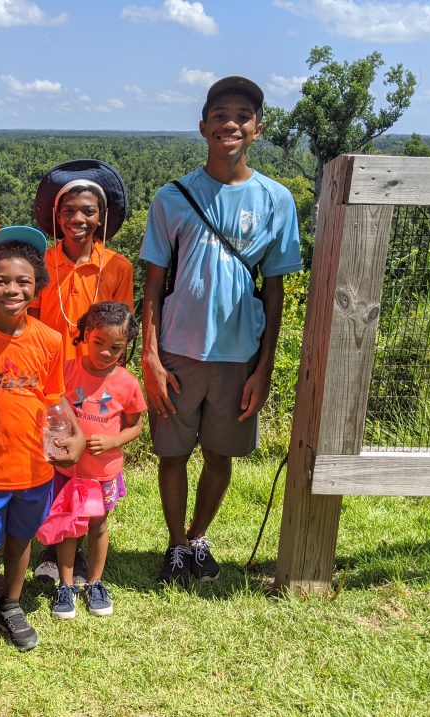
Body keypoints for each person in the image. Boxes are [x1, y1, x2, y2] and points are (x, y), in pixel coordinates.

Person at [139, 76, 302, 586]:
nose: (230, 122)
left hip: (239, 354)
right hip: (178, 350)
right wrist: (150, 356)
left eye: (242, 115)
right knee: (171, 451)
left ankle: (199, 535)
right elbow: (153, 284)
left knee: (219, 452)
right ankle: (174, 545)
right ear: (203, 125)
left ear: (257, 128)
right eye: (220, 114)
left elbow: (273, 290)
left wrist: (265, 366)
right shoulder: (173, 197)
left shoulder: (276, 199)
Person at [0, 226, 84, 669]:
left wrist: (76, 433)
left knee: (21, 540)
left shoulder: (49, 339)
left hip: (33, 470)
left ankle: (12, 603)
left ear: (37, 288)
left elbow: (54, 397)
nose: (12, 289)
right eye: (1, 280)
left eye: (23, 281)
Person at [30, 160, 135, 587]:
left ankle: (68, 554)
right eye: (69, 210)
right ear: (57, 216)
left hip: (92, 381)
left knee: (84, 467)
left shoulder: (117, 267)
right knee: (50, 462)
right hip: (48, 378)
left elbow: (122, 328)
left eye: (88, 211)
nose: (78, 219)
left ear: (102, 216)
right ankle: (49, 545)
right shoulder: (42, 262)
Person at [42, 302, 146, 619]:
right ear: (86, 334)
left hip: (102, 474)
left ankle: (95, 583)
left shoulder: (127, 383)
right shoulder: (66, 369)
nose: (105, 352)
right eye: (98, 342)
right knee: (69, 528)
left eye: (115, 347)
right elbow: (50, 408)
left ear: (126, 345)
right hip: (68, 472)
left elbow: (136, 425)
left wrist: (114, 440)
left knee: (98, 527)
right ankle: (65, 585)